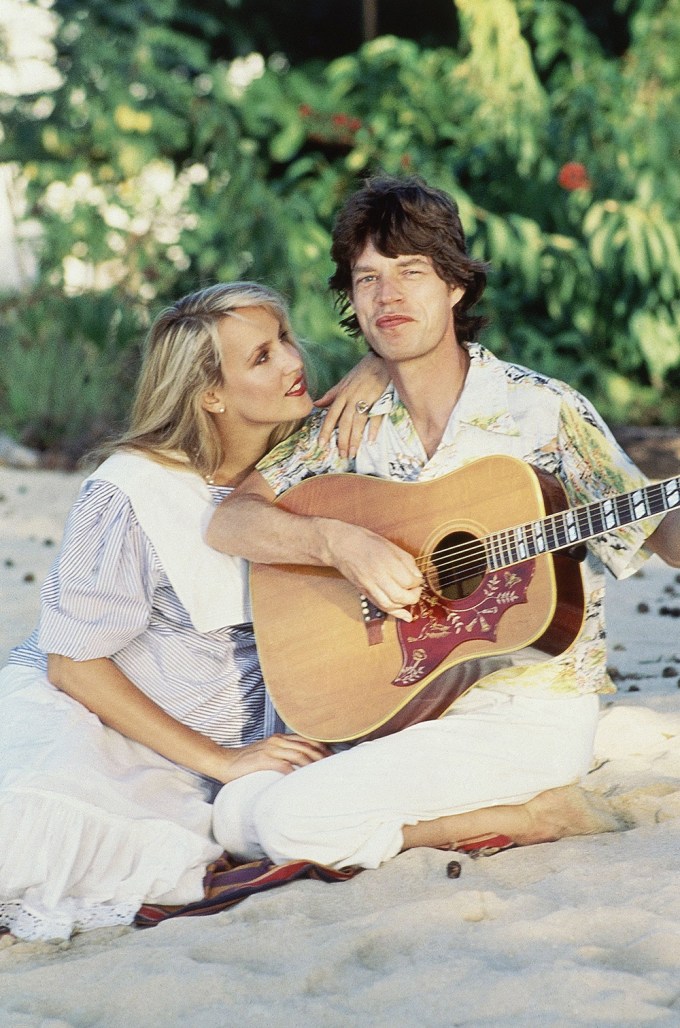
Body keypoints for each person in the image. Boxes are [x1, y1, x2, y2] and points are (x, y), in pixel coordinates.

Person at [205, 175, 680, 871]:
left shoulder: (541, 413)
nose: (388, 297)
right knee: (234, 812)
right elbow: (232, 522)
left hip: (526, 712)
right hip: (400, 711)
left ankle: (532, 814)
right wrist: (340, 542)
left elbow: (661, 537)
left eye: (411, 273)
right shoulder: (350, 423)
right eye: (368, 279)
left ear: (455, 286)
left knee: (285, 822)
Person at [0, 280, 386, 942]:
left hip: (208, 748)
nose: (295, 362)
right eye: (262, 357)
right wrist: (223, 761)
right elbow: (73, 666)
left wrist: (378, 362)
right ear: (211, 394)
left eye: (287, 340)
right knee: (45, 828)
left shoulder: (302, 463)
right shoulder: (134, 491)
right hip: (92, 719)